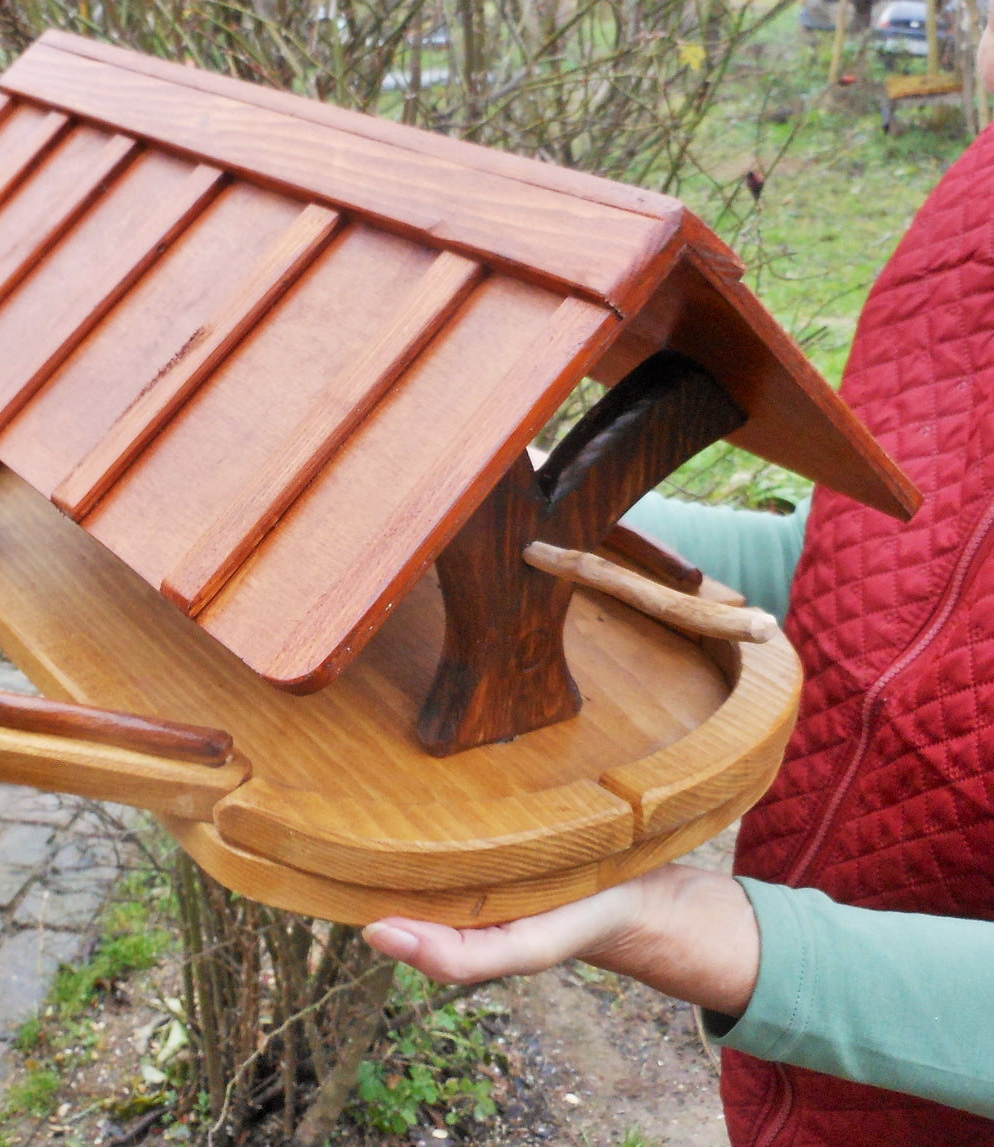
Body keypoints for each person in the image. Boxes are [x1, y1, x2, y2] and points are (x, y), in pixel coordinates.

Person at [365, 23, 994, 1146]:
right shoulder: (973, 211)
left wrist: (707, 930)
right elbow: (886, 567)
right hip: (797, 1082)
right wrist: (514, 513)